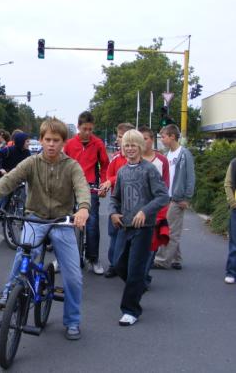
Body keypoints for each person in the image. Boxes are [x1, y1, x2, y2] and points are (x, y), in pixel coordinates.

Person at [0, 118, 90, 341]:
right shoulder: (31, 163)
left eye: (56, 140)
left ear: (63, 143)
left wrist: (83, 209)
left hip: (62, 222)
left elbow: (82, 188)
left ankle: (73, 320)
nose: (51, 144)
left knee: (73, 276)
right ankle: (9, 293)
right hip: (35, 218)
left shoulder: (71, 166)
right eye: (47, 140)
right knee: (23, 254)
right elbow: (10, 179)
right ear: (41, 140)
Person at [110, 129, 169, 326]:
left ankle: (130, 310)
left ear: (141, 147)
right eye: (126, 145)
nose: (130, 149)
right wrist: (113, 213)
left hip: (144, 228)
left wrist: (145, 211)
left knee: (135, 268)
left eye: (134, 145)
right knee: (118, 264)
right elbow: (115, 198)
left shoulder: (149, 169)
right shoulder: (122, 171)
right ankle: (138, 286)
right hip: (124, 226)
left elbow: (162, 196)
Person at [64, 111, 110, 274]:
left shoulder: (97, 144)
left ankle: (93, 258)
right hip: (70, 186)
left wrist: (104, 183)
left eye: (90, 129)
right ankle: (61, 256)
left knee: (92, 222)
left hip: (90, 186)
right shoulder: (69, 144)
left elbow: (105, 165)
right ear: (78, 127)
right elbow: (63, 164)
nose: (88, 133)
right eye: (85, 129)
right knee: (63, 221)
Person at [153, 124, 195, 270]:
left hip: (177, 198)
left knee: (171, 230)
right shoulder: (168, 154)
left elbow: (190, 177)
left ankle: (161, 260)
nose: (162, 140)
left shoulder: (184, 154)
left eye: (163, 136)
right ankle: (176, 259)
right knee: (171, 227)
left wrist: (186, 197)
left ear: (172, 136)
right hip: (167, 197)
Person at [101, 122, 135, 278]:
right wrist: (109, 182)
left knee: (130, 235)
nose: (118, 140)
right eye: (119, 136)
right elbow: (109, 175)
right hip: (117, 201)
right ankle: (113, 264)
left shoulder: (135, 158)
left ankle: (128, 264)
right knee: (114, 233)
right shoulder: (115, 158)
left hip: (133, 203)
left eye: (121, 136)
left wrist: (112, 180)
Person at [138, 125, 170, 288]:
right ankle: (140, 276)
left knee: (151, 246)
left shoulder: (161, 160)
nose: (143, 142)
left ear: (152, 140)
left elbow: (165, 186)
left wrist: (162, 210)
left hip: (155, 211)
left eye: (146, 139)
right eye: (140, 139)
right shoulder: (133, 158)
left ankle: (143, 277)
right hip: (135, 211)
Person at [224, 157, 236, 284]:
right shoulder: (234, 163)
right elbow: (228, 184)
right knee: (235, 242)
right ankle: (231, 271)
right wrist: (233, 203)